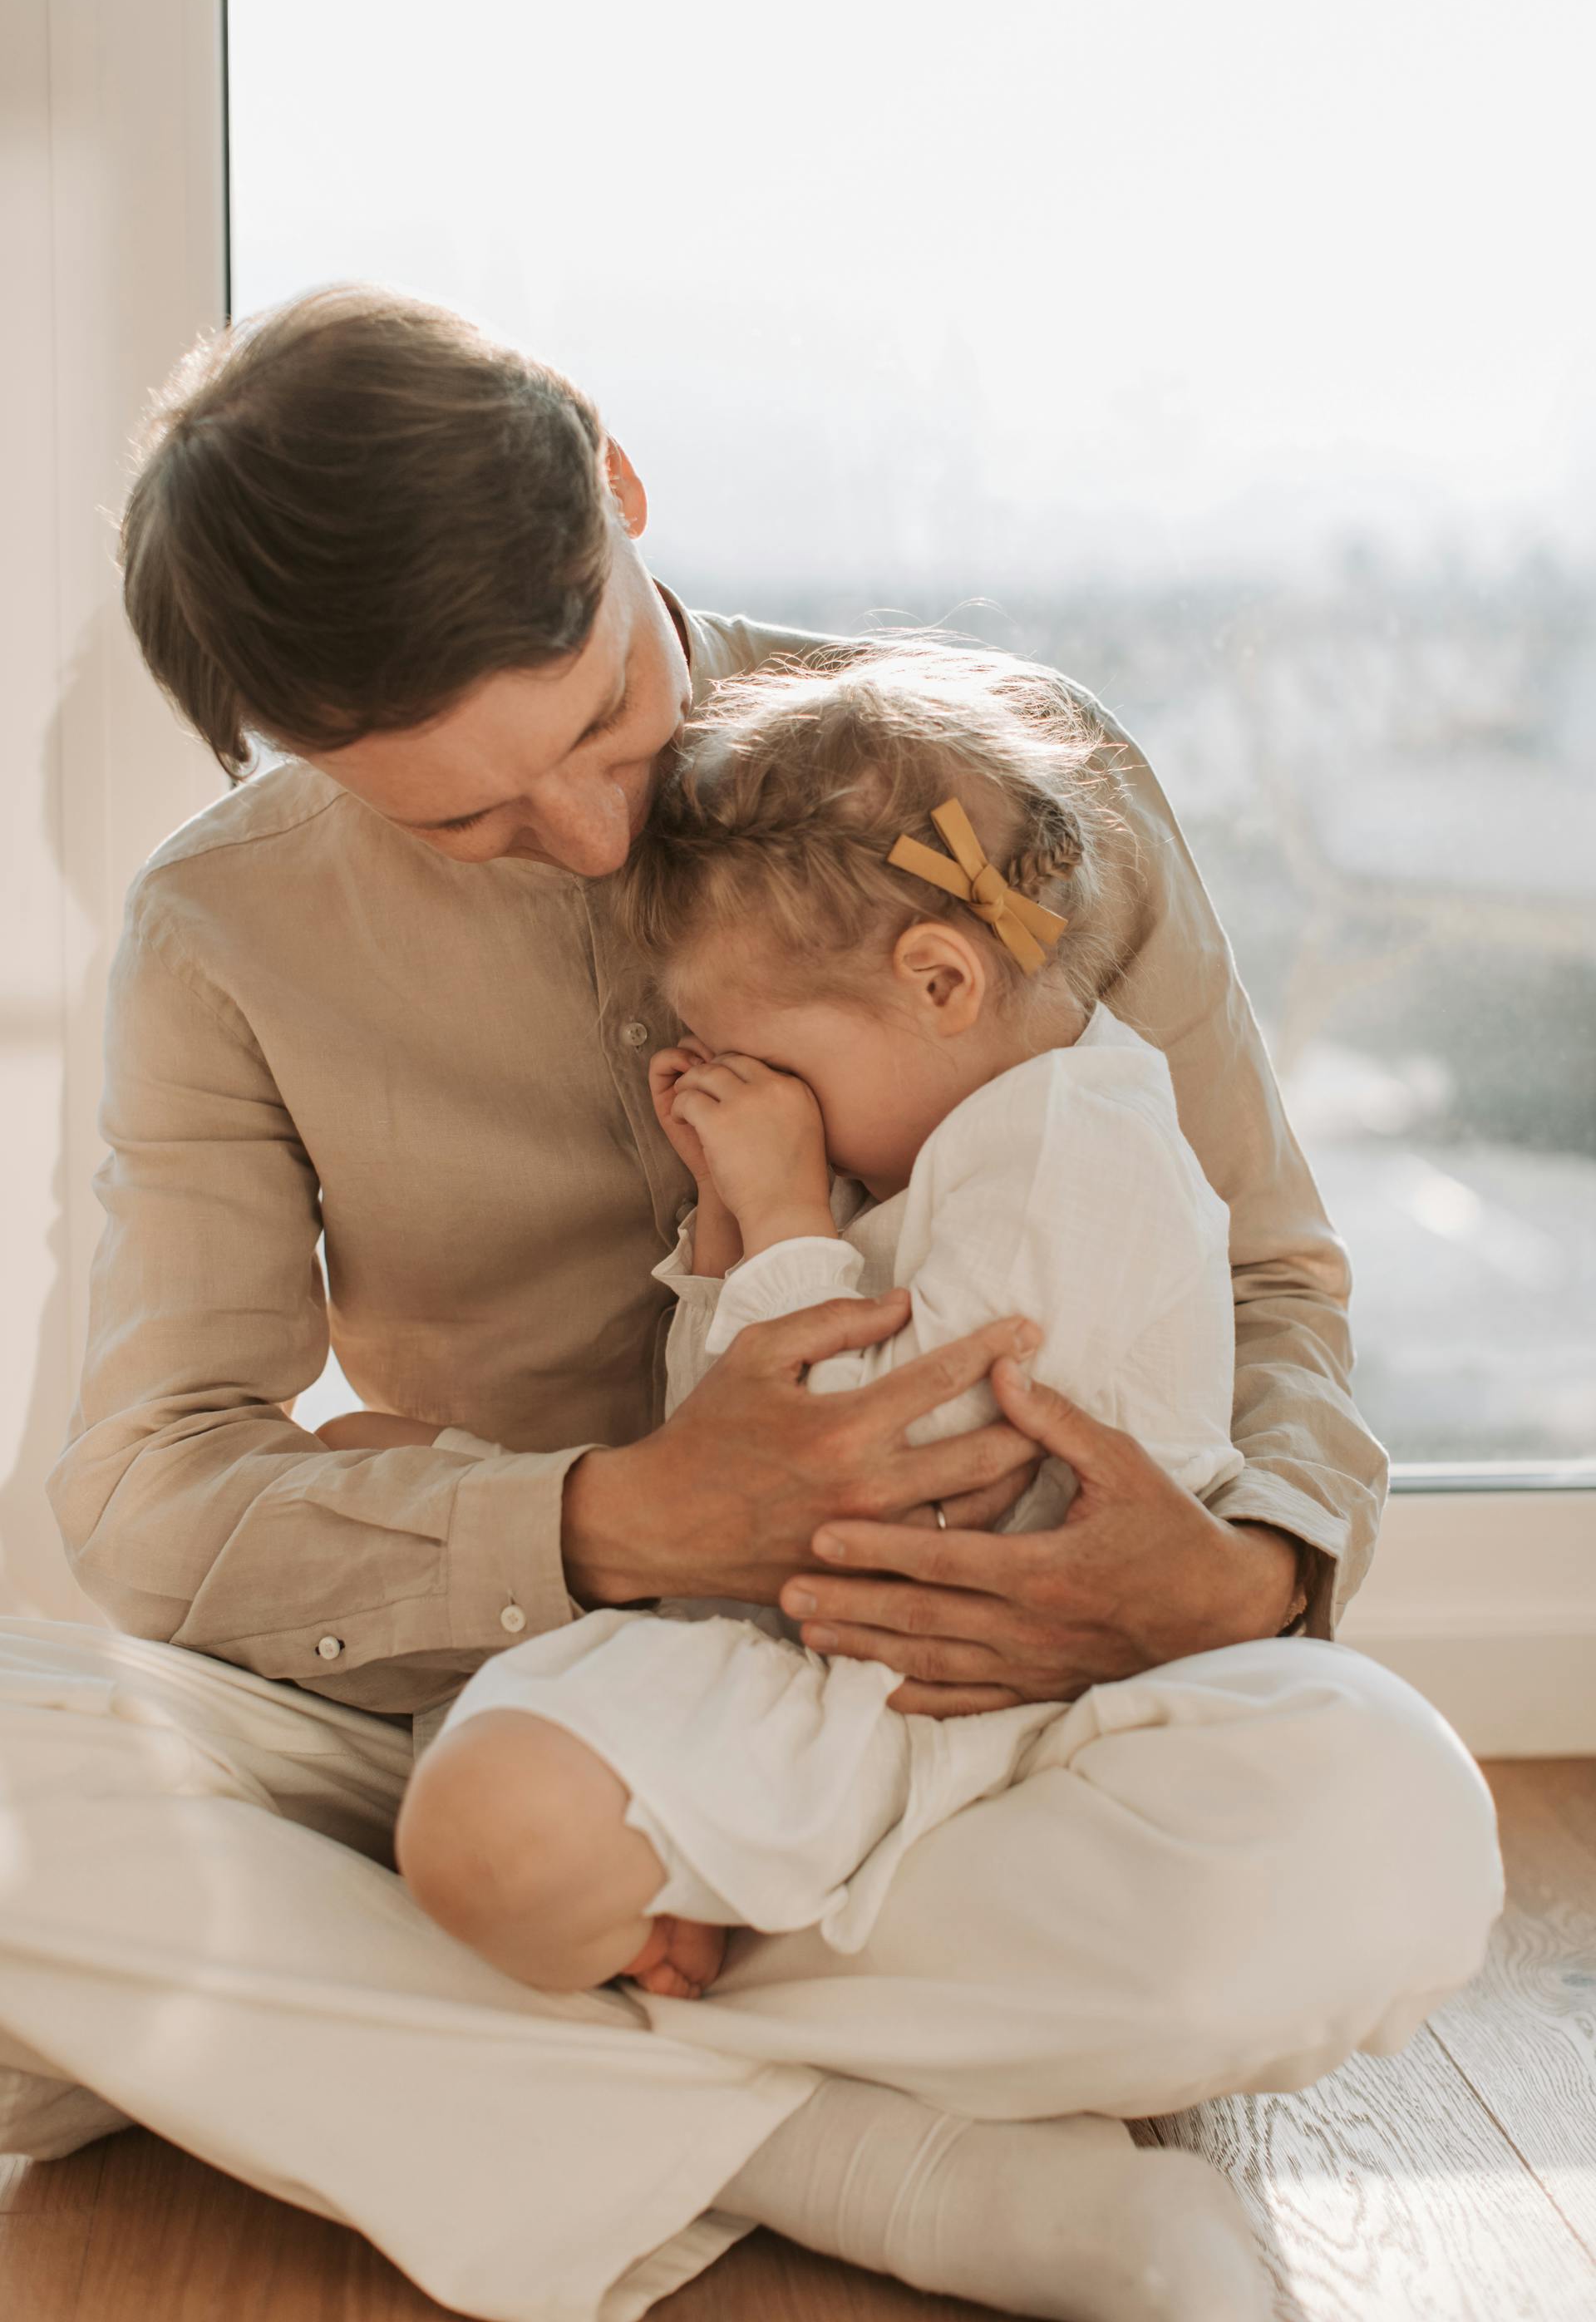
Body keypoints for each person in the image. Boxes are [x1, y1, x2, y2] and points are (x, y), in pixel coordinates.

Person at [0, 287, 1504, 2322]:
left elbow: (1269, 1278)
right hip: (498, 1728)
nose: (594, 834)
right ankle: (874, 2163)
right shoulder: (222, 931)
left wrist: (1236, 1580)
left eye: (604, 720)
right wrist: (614, 1522)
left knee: (1390, 1842)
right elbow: (151, 1489)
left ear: (620, 489)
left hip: (986, 1723)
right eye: (464, 818)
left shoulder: (999, 791)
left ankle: (396, 2032)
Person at [387, 641, 1255, 2017]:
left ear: (941, 983)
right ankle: (707, 1920)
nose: (757, 1100)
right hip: (816, 1656)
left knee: (490, 1828)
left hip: (949, 1701)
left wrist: (791, 1216)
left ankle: (721, 1957)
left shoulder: (1069, 1156)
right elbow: (731, 1446)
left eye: (775, 1064)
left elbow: (882, 1482)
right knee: (468, 1774)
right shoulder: (934, 1142)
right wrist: (731, 1234)